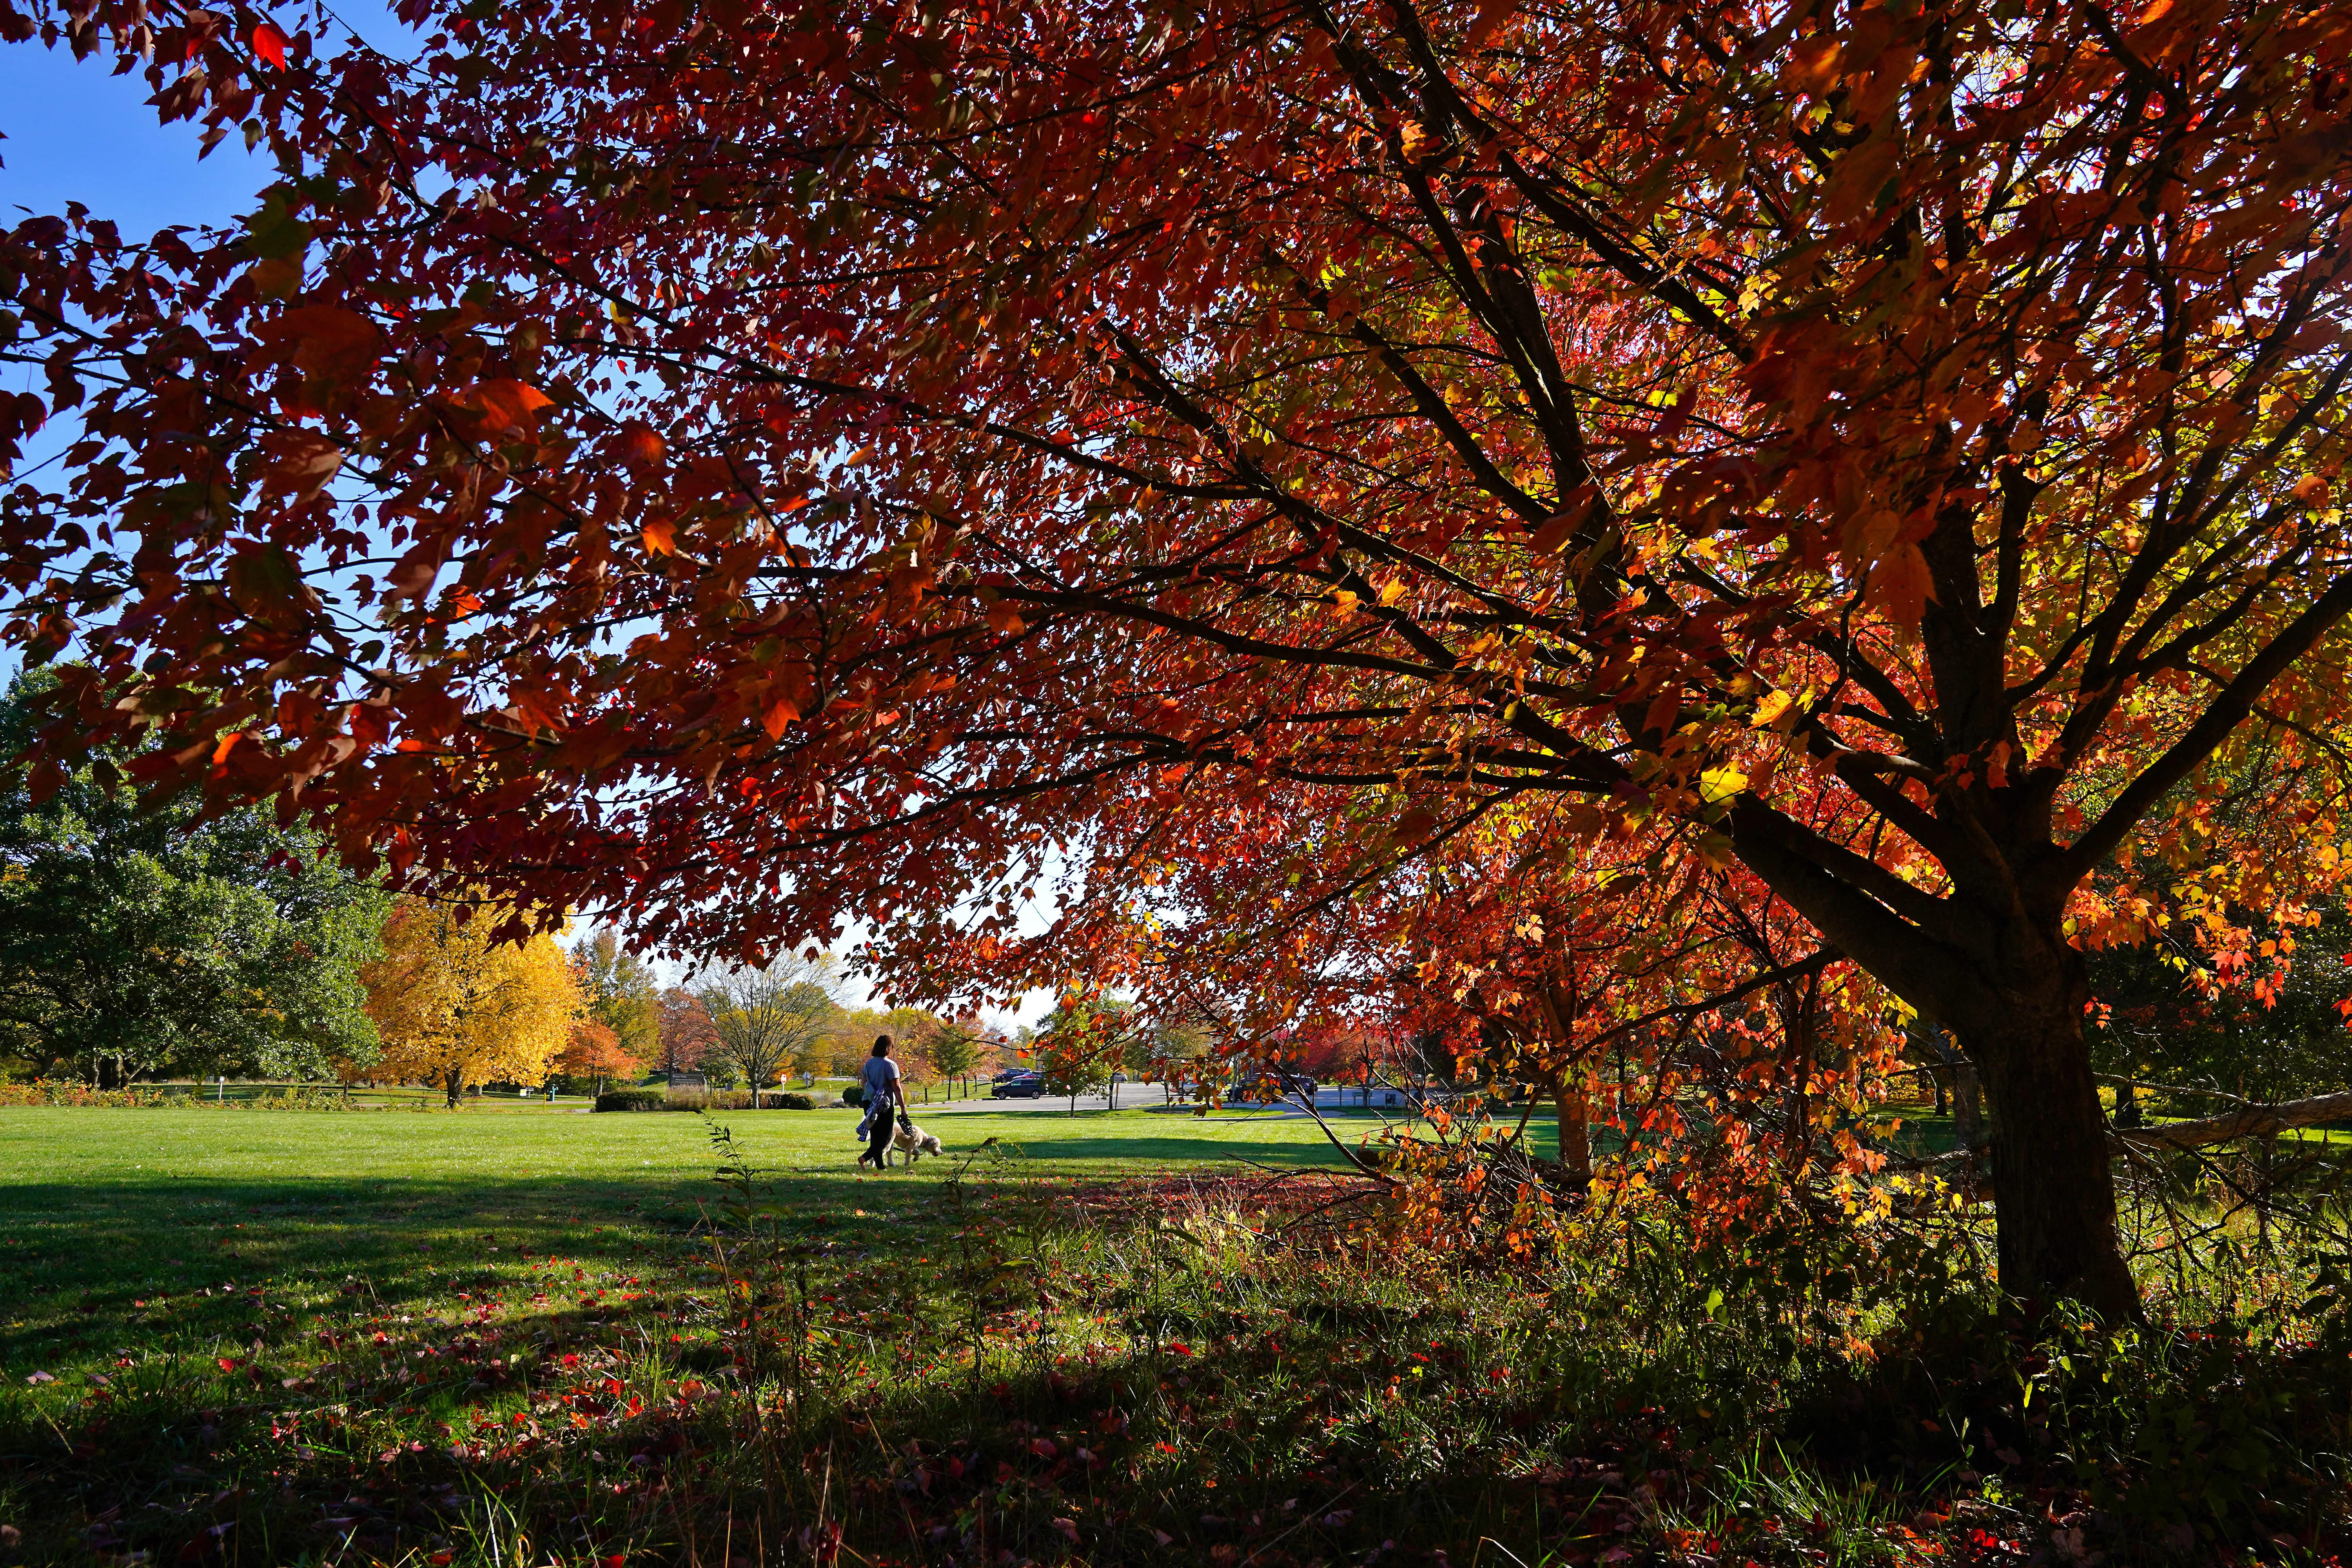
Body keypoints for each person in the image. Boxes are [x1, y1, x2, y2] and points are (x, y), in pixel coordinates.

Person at [860, 1035, 903, 1170]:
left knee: (875, 1135)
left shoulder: (869, 1063)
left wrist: (872, 1095)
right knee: (886, 1137)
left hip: (868, 1102)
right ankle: (864, 1158)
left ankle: (880, 1166)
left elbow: (863, 1083)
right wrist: (903, 1108)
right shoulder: (891, 1065)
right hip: (885, 1105)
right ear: (889, 1048)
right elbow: (896, 1087)